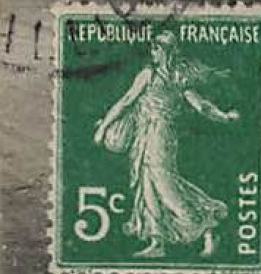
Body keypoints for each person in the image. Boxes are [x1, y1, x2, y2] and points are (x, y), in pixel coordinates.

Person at [93, 30, 238, 258]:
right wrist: (104, 126)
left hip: (162, 135)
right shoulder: (148, 75)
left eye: (157, 48)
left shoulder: (178, 76)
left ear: (167, 51)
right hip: (144, 134)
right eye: (153, 48)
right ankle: (156, 241)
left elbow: (201, 105)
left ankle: (208, 226)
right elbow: (126, 101)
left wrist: (224, 116)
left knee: (165, 186)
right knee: (147, 184)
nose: (154, 52)